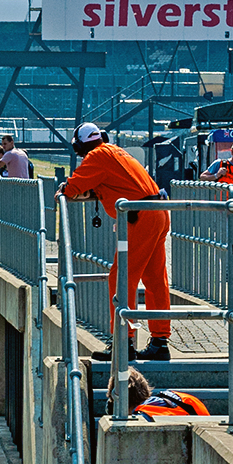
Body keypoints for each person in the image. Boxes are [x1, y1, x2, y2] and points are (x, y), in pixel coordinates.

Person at [60, 122, 172, 362]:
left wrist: (64, 189)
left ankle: (123, 341)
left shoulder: (96, 156)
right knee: (155, 279)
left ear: (79, 145)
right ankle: (160, 342)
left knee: (121, 278)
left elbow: (73, 187)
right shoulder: (115, 150)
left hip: (139, 216)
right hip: (158, 211)